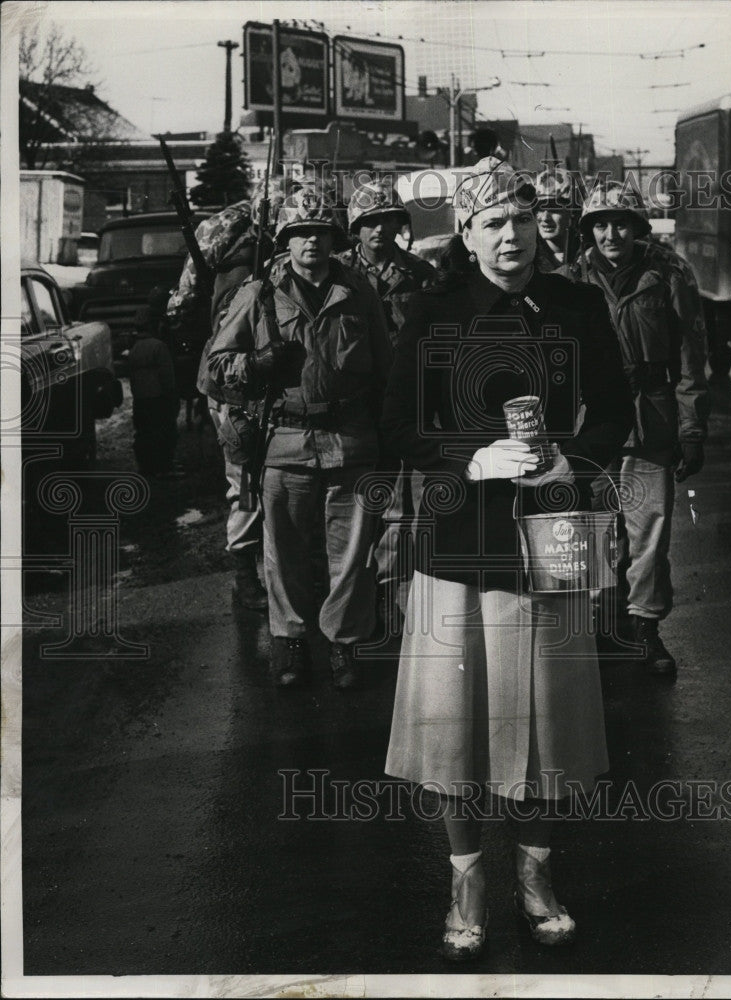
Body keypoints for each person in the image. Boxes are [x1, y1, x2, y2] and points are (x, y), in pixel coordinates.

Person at [381, 157, 633, 959]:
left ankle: (534, 877)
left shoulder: (578, 303)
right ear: (465, 233)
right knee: (454, 730)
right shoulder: (434, 309)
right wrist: (466, 459)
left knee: (544, 726)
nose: (512, 235)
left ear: (540, 225)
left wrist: (573, 460)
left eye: (522, 219)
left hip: (550, 536)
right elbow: (397, 427)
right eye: (491, 222)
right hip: (460, 542)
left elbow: (617, 409)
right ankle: (465, 880)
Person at [207, 181, 393, 691]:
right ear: (286, 241)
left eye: (319, 232)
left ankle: (345, 644)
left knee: (352, 554)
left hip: (352, 440)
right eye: (299, 233)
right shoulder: (258, 294)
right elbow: (213, 368)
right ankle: (288, 640)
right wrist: (256, 363)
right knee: (283, 551)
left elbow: (385, 370)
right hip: (285, 441)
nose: (311, 242)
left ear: (334, 240)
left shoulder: (359, 293)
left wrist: (389, 434)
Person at [564, 181, 710, 675]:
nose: (611, 234)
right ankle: (601, 626)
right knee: (596, 531)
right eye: (600, 224)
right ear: (588, 230)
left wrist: (692, 430)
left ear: (638, 227)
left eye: (621, 222)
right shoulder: (568, 277)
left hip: (652, 419)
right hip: (592, 421)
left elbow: (692, 356)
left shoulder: (667, 272)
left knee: (649, 531)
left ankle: (645, 626)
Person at [166, 181, 276, 611]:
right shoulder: (225, 232)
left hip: (284, 370)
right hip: (232, 379)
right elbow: (184, 305)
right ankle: (246, 575)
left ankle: (285, 573)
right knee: (246, 480)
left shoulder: (303, 236)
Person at [336, 179, 436, 635]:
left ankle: (389, 597)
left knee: (400, 512)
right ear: (355, 227)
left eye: (386, 220)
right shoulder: (334, 274)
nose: (378, 229)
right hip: (351, 411)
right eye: (369, 221)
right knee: (350, 514)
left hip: (402, 407)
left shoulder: (419, 275)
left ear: (399, 224)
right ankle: (348, 605)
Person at [129, 287, 180, 478]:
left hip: (141, 399)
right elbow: (167, 375)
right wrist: (171, 393)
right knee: (163, 431)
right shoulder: (158, 347)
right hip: (159, 397)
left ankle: (146, 466)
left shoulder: (135, 349)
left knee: (143, 433)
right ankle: (164, 465)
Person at [533, 165, 580, 272]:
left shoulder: (589, 257)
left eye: (554, 209)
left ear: (573, 212)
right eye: (540, 209)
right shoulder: (527, 258)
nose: (545, 218)